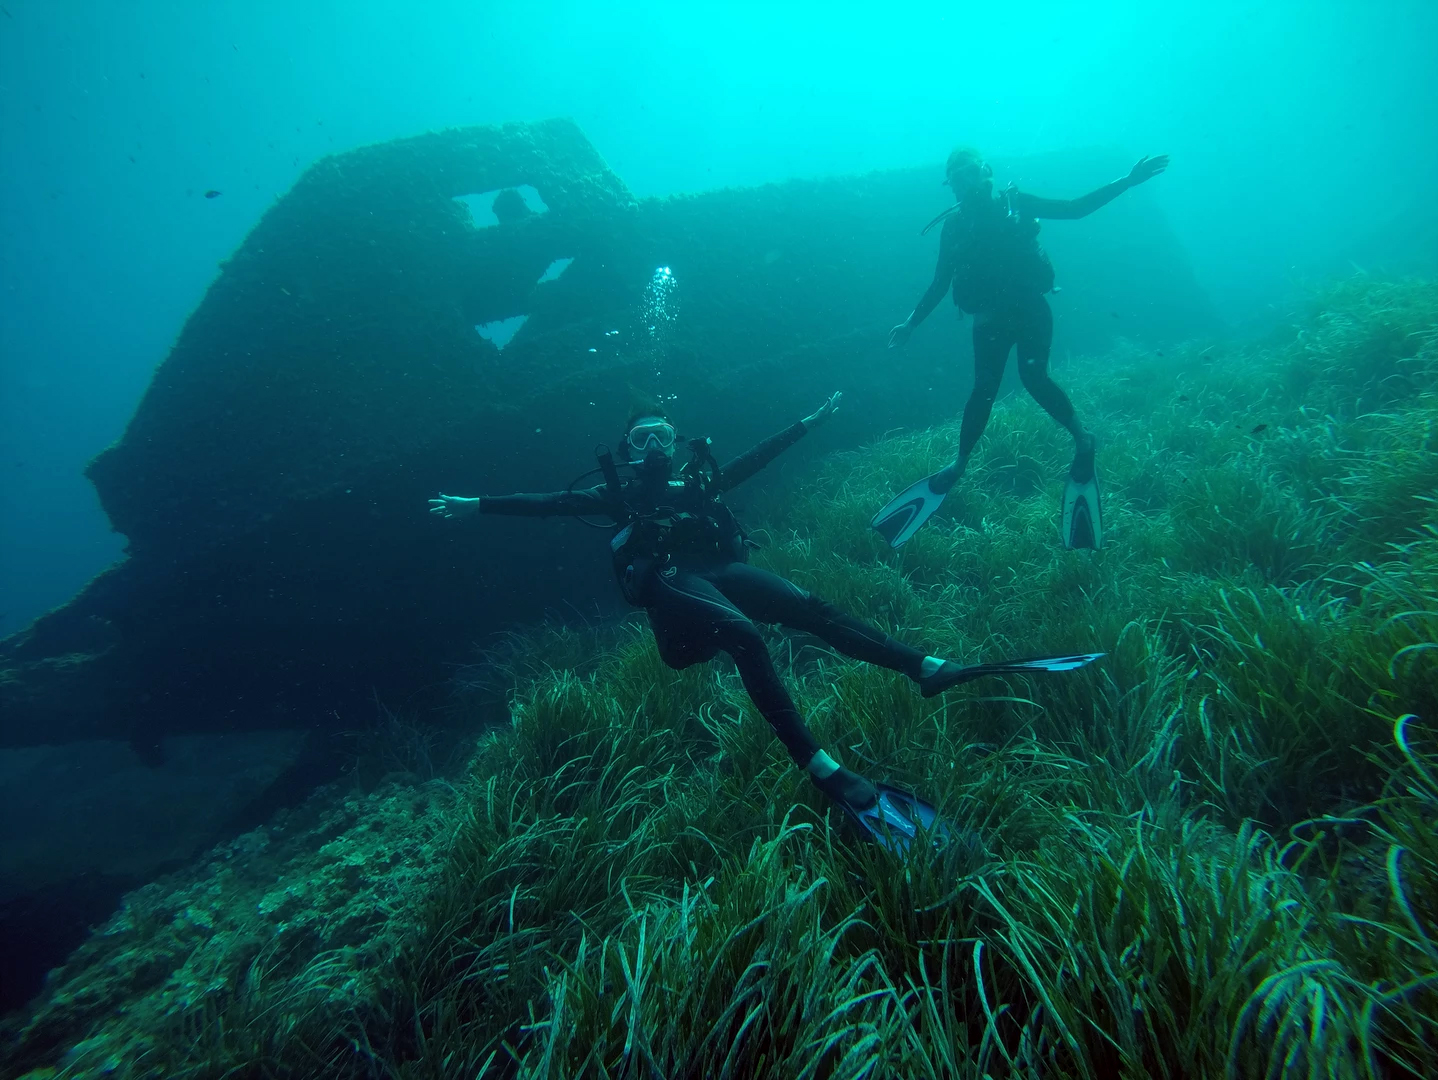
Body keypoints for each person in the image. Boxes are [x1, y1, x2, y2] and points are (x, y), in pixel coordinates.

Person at [432, 396, 1099, 850]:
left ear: (676, 437)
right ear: (628, 448)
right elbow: (547, 503)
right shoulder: (621, 492)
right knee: (748, 638)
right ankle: (823, 766)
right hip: (673, 587)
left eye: (663, 434)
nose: (656, 444)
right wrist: (476, 504)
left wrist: (809, 421)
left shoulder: (697, 483)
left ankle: (924, 667)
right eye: (643, 438)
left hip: (719, 574)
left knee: (810, 609)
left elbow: (755, 458)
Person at [872, 147, 1169, 550]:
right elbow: (941, 281)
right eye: (956, 179)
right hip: (989, 319)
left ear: (986, 172)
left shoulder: (1014, 202)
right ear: (951, 186)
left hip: (1030, 308)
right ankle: (959, 463)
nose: (964, 183)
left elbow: (1075, 208)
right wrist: (911, 322)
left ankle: (1083, 439)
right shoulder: (955, 226)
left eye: (970, 173)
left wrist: (1126, 181)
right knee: (984, 389)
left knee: (1033, 376)